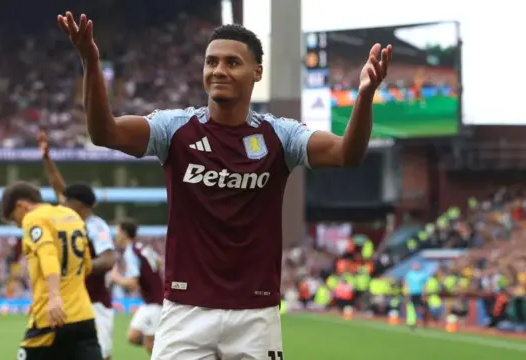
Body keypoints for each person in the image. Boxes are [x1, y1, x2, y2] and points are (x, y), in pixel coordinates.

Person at [58, 11, 392, 359]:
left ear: (257, 72)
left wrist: (365, 96)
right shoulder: (174, 129)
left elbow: (346, 154)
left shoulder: (280, 135)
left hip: (255, 315)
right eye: (211, 62)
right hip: (184, 312)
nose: (219, 70)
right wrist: (90, 62)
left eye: (233, 62)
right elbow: (104, 133)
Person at [0, 181, 101, 360]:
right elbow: (86, 265)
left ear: (21, 205)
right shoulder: (71, 216)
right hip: (83, 316)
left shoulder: (34, 218)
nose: (18, 226)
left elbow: (49, 255)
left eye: (15, 219)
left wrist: (53, 297)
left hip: (52, 319)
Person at [38, 131, 116, 360]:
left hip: (95, 303)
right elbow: (59, 188)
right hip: (73, 302)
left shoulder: (95, 226)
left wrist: (81, 266)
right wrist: (46, 159)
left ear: (79, 206)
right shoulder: (71, 220)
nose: (62, 204)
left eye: (67, 203)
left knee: (100, 355)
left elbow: (109, 259)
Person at [110, 218, 164, 356]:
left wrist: (116, 277)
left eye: (117, 231)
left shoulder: (131, 253)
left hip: (154, 303)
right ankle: (165, 345)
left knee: (149, 343)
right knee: (133, 337)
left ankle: (166, 349)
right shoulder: (142, 247)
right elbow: (159, 262)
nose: (116, 235)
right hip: (151, 301)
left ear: (123, 233)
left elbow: (132, 284)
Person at [404, 263, 430, 328]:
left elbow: (425, 285)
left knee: (423, 308)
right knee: (411, 307)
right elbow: (407, 284)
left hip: (420, 293)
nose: (416, 267)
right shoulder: (409, 274)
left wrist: (424, 294)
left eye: (417, 266)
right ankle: (411, 322)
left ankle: (424, 322)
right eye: (415, 266)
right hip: (411, 293)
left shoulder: (422, 274)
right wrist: (407, 293)